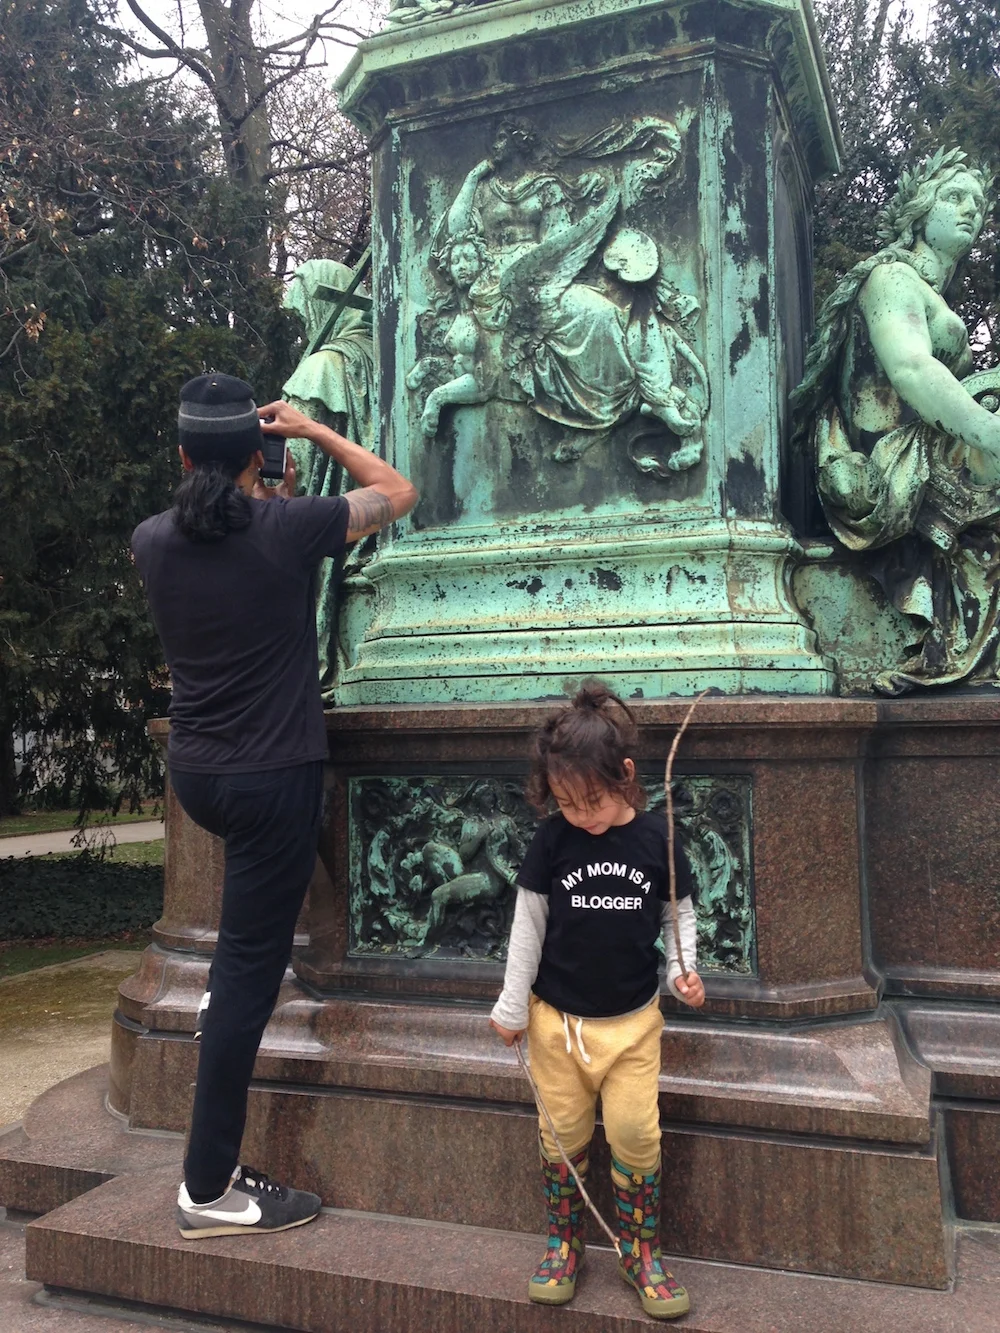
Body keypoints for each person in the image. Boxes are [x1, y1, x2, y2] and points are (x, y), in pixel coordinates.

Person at [131, 374, 417, 1239]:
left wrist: (257, 485)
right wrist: (316, 431)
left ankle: (226, 1003)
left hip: (201, 777)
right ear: (260, 452)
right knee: (247, 983)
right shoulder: (289, 529)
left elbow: (218, 536)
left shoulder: (151, 540)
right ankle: (207, 1189)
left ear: (182, 456)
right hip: (272, 779)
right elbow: (398, 491)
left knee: (239, 958)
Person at [489, 682, 705, 1319]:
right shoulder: (553, 842)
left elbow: (678, 918)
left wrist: (684, 974)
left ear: (627, 776)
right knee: (562, 1137)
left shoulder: (655, 840)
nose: (582, 815)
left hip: (634, 1028)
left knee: (637, 1133)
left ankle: (640, 1250)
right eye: (566, 802)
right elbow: (527, 929)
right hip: (556, 1026)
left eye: (593, 801)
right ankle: (565, 1241)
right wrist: (510, 1007)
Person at [791, 148, 1000, 694]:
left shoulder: (928, 292)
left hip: (927, 455)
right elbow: (910, 369)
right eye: (954, 198)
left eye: (978, 203)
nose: (971, 211)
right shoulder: (892, 278)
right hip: (892, 468)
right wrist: (989, 432)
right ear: (917, 211)